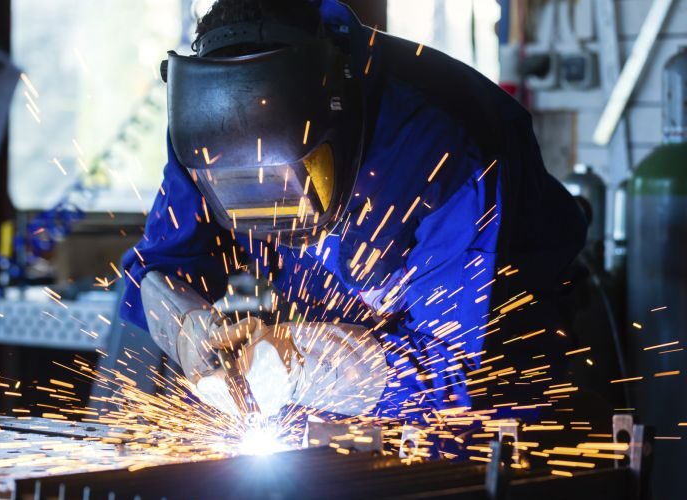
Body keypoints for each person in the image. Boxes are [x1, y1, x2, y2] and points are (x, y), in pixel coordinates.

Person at [121, 0, 588, 424]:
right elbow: (160, 267)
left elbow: (453, 368)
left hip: (491, 388)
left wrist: (301, 363)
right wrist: (188, 329)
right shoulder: (204, 133)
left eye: (285, 179)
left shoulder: (442, 148)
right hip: (332, 383)